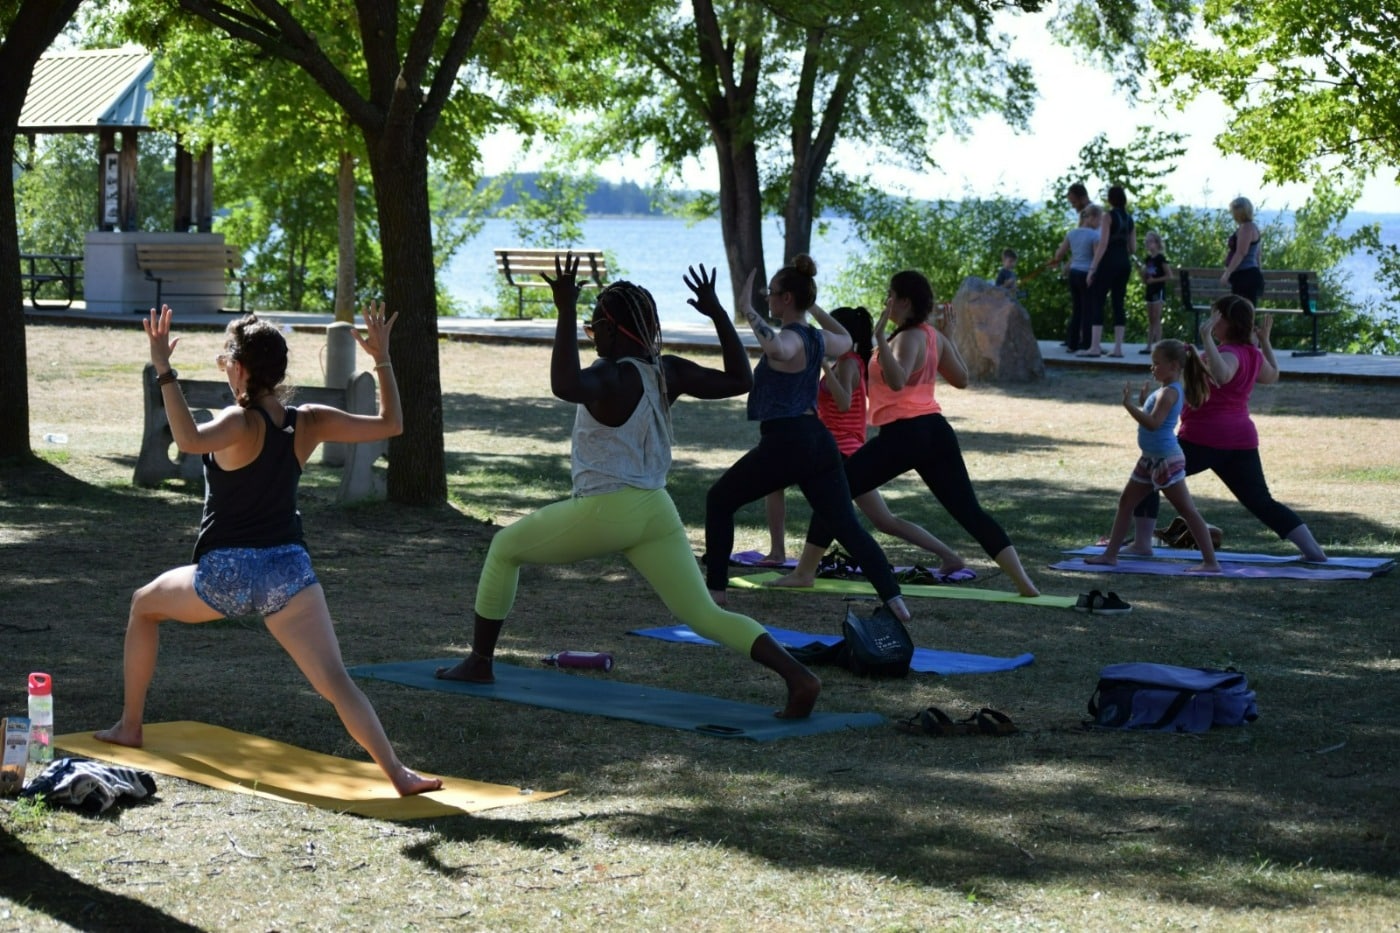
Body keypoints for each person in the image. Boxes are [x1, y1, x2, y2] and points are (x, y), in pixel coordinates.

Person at [435, 256, 821, 718]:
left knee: (503, 548)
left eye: (594, 320)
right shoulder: (667, 371)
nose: (589, 327)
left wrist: (561, 310)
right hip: (655, 509)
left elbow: (563, 384)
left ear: (614, 329)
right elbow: (741, 379)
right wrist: (719, 313)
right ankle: (799, 678)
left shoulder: (610, 376)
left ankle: (479, 663)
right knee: (704, 615)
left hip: (607, 509)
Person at [96, 305, 441, 797]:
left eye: (226, 359)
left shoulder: (238, 423)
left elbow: (188, 439)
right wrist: (382, 359)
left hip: (226, 576)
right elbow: (392, 423)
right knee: (336, 680)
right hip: (289, 574)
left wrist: (164, 370)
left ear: (240, 368)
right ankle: (398, 773)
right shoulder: (310, 421)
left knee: (143, 605)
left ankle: (130, 725)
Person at [774, 271, 1040, 597]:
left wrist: (882, 338)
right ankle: (1025, 584)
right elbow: (962, 378)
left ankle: (804, 572)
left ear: (904, 301)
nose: (887, 301)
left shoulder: (906, 338)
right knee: (969, 511)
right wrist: (947, 337)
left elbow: (898, 379)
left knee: (834, 488)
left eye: (891, 295)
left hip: (906, 434)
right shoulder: (933, 337)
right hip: (936, 432)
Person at [703, 255, 911, 622]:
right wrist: (812, 303)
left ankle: (715, 594)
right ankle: (895, 599)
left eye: (773, 294)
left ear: (785, 300)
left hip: (789, 441)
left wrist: (747, 310)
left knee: (719, 500)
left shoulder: (792, 339)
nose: (769, 298)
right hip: (818, 441)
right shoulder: (818, 337)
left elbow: (777, 349)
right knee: (846, 525)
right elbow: (846, 338)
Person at [767, 306, 967, 577]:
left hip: (839, 451)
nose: (825, 336)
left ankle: (779, 554)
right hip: (843, 449)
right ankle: (950, 556)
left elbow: (844, 401)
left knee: (775, 481)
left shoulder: (848, 363)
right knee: (884, 521)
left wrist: (822, 365)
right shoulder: (847, 362)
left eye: (829, 331)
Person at [1127, 296, 1329, 561]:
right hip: (1239, 442)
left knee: (1149, 478)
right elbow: (1273, 375)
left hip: (1204, 439)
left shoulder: (1228, 353)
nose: (1211, 321)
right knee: (1261, 502)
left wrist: (1206, 338)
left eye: (1214, 317)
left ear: (1225, 321)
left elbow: (1222, 375)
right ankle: (1314, 553)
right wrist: (1265, 343)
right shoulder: (1251, 354)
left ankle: (1142, 544)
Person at [1086, 339, 1222, 573]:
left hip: (1165, 460)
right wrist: (1142, 402)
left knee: (1187, 511)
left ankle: (1210, 562)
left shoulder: (1169, 393)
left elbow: (1153, 423)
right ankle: (1110, 556)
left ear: (1173, 366)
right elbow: (1155, 414)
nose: (1152, 368)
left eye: (1156, 363)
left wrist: (1129, 406)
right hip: (1150, 458)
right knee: (1126, 503)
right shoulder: (1165, 390)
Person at [1083, 184, 1137, 358]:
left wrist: (1093, 267)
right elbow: (1133, 248)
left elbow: (1103, 243)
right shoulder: (1129, 219)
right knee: (1118, 303)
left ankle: (1095, 347)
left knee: (1097, 300)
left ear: (1110, 199)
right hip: (1124, 264)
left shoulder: (1108, 216)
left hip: (1109, 263)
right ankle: (1118, 348)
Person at [1051, 205, 1102, 353]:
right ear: (1091, 218)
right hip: (1086, 274)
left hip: (1073, 273)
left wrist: (1057, 259)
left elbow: (1059, 254)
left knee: (1076, 309)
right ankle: (1085, 343)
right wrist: (1094, 274)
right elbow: (1095, 258)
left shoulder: (1071, 234)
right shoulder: (1094, 236)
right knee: (1088, 309)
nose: (1100, 224)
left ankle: (1071, 343)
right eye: (1099, 220)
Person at [1222, 196, 1263, 302]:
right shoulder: (1253, 227)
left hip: (1245, 276)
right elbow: (1258, 255)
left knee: (1241, 312)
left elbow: (1241, 253)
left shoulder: (1246, 228)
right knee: (1244, 311)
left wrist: (1227, 273)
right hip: (1249, 275)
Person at [1140, 231, 1172, 354]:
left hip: (1158, 290)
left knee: (1156, 317)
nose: (1148, 244)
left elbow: (1169, 275)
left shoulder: (1161, 258)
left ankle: (1159, 345)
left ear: (1157, 243)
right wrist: (1144, 276)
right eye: (1146, 241)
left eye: (1150, 241)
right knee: (1150, 318)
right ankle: (1148, 345)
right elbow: (1146, 278)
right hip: (1150, 290)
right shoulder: (1148, 259)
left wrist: (1155, 280)